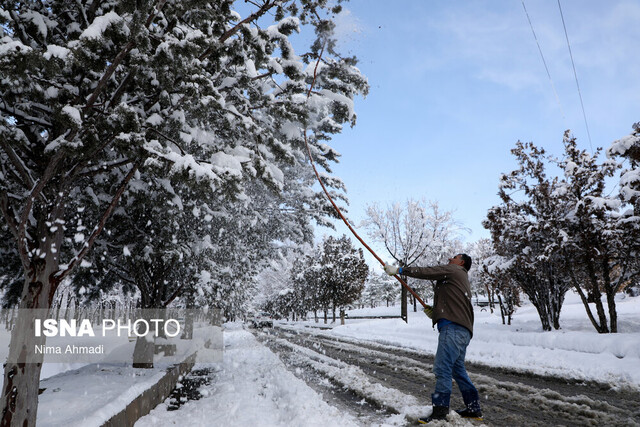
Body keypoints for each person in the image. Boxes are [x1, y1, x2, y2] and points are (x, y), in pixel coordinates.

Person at [384, 254, 482, 424]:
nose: (451, 259)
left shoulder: (455, 270)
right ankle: (473, 408)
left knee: (442, 368)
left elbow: (429, 271)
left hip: (452, 329)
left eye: (455, 257)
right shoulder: (458, 278)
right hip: (462, 330)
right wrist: (436, 312)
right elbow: (452, 303)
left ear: (462, 262)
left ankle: (440, 411)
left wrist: (400, 270)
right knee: (457, 370)